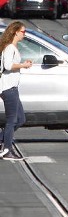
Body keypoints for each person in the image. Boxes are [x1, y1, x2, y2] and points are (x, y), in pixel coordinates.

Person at [0, 22, 33, 161]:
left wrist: (21, 64)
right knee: (12, 120)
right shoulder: (10, 48)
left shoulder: (12, 47)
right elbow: (8, 66)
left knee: (20, 119)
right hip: (8, 88)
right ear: (15, 32)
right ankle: (7, 150)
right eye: (23, 32)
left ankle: (3, 141)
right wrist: (24, 65)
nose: (24, 34)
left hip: (12, 87)